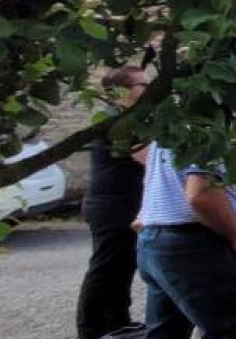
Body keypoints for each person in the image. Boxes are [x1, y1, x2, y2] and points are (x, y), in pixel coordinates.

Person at [135, 140, 236, 338]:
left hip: (159, 234)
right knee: (231, 332)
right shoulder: (213, 119)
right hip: (194, 242)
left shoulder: (178, 114)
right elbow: (201, 193)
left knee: (166, 332)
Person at [77, 67, 150, 339]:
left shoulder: (129, 120)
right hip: (111, 204)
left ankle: (118, 319)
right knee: (104, 267)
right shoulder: (117, 123)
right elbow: (147, 158)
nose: (149, 90)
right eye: (144, 85)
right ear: (121, 91)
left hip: (125, 202)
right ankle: (90, 329)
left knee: (124, 263)